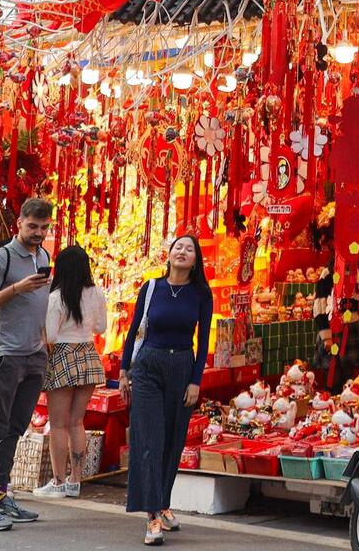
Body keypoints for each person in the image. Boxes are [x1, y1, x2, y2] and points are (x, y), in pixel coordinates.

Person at [0, 197, 55, 534]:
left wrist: (43, 343)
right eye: (32, 226)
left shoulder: (43, 257)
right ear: (19, 223)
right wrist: (16, 288)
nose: (38, 233)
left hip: (34, 354)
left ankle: (0, 495)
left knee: (15, 428)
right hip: (3, 353)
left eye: (44, 228)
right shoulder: (1, 258)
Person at [121, 234, 213, 547]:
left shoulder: (201, 294)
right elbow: (135, 330)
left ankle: (163, 501)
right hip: (149, 365)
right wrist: (124, 371)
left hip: (182, 367)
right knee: (149, 440)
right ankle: (152, 517)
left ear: (196, 260)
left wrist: (195, 380)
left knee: (173, 441)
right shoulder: (151, 288)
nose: (182, 252)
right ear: (169, 254)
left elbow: (203, 341)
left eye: (189, 249)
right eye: (178, 247)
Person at [35, 244, 106, 500]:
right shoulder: (96, 292)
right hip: (88, 354)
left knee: (58, 424)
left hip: (63, 354)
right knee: (77, 421)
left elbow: (52, 336)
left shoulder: (56, 297)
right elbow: (101, 328)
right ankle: (75, 480)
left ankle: (58, 481)